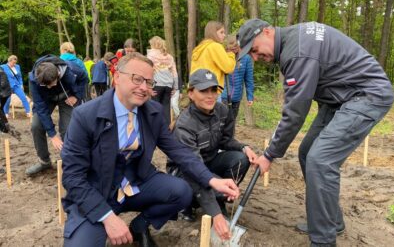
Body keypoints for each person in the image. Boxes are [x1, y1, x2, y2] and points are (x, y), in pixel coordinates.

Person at [237, 19, 394, 246]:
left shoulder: (297, 53)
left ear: (267, 32)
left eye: (254, 49)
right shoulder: (293, 42)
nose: (255, 57)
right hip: (340, 98)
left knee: (320, 160)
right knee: (308, 152)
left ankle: (323, 241)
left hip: (367, 95)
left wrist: (270, 154)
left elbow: (294, 113)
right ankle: (331, 221)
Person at [61, 53, 240, 246]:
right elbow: (72, 177)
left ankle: (139, 226)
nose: (143, 87)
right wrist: (107, 217)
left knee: (181, 191)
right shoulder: (85, 116)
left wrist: (211, 179)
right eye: (137, 79)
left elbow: (178, 151)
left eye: (149, 82)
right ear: (117, 77)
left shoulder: (152, 112)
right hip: (97, 191)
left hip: (135, 183)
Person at [167, 69, 257, 239]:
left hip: (209, 161)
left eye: (213, 90)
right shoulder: (184, 125)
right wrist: (215, 212)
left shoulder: (222, 111)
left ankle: (217, 200)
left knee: (240, 159)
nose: (210, 96)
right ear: (191, 93)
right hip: (184, 171)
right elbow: (193, 168)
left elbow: (226, 141)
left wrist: (244, 148)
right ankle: (189, 204)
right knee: (210, 189)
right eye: (203, 91)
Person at [25, 55, 88, 176]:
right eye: (45, 85)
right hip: (47, 100)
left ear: (58, 75)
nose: (49, 87)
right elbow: (40, 107)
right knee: (36, 125)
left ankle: (70, 163)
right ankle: (44, 161)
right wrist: (52, 134)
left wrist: (77, 96)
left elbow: (84, 78)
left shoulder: (71, 69)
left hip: (67, 97)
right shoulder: (34, 79)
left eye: (51, 84)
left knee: (68, 130)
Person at [190, 21, 236, 98]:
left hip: (196, 90)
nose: (224, 35)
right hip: (211, 90)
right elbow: (228, 68)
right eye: (221, 32)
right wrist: (231, 54)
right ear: (213, 33)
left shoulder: (200, 48)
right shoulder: (215, 46)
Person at [221, 35, 254, 123]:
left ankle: (230, 136)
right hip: (223, 95)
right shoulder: (223, 56)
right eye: (232, 48)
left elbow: (249, 79)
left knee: (232, 121)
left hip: (236, 97)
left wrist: (250, 96)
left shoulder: (246, 58)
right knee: (222, 121)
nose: (234, 50)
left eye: (236, 47)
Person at [147, 36, 178, 124]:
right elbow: (174, 73)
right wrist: (175, 87)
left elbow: (148, 71)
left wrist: (148, 87)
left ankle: (156, 128)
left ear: (152, 44)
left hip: (156, 84)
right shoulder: (169, 57)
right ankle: (166, 130)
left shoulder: (150, 55)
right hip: (168, 85)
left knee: (154, 107)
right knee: (166, 107)